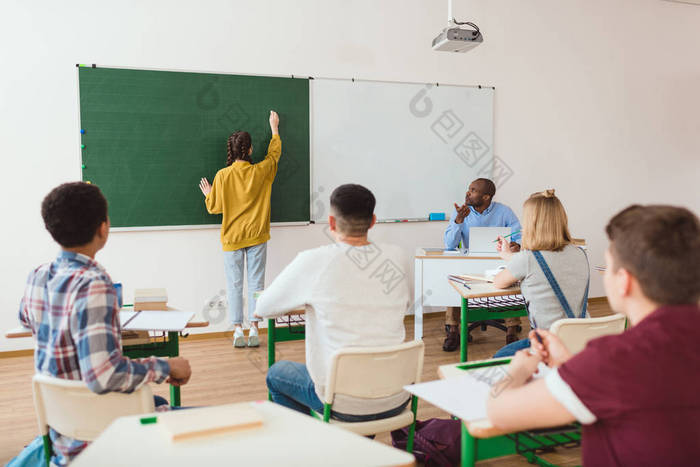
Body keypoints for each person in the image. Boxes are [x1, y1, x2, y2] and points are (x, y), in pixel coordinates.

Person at [487, 205, 700, 466]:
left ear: (624, 282)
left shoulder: (611, 359)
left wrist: (518, 368)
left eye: (607, 267)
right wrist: (571, 366)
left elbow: (498, 411)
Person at [19, 182, 192, 466]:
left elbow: (26, 318)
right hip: (100, 444)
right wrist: (167, 365)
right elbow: (103, 376)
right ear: (103, 228)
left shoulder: (37, 276)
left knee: (156, 400)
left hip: (63, 432)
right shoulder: (95, 284)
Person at [255, 184, 411, 421]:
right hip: (397, 397)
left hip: (342, 403)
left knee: (276, 374)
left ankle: (319, 442)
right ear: (373, 221)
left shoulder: (314, 260)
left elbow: (263, 308)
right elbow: (406, 302)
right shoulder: (397, 257)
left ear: (331, 222)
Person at [199, 110, 280, 347]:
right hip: (257, 236)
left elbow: (214, 208)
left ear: (231, 151)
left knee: (234, 284)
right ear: (251, 150)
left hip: (232, 238)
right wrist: (274, 129)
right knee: (257, 284)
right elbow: (274, 156)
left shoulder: (223, 176)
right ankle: (255, 327)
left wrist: (208, 194)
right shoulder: (261, 172)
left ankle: (237, 330)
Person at [491, 189, 589, 357]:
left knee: (497, 360)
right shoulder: (580, 253)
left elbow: (498, 282)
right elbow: (547, 263)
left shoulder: (527, 259)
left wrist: (510, 257)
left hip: (547, 341)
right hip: (580, 339)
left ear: (531, 224)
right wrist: (509, 256)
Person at [443, 178, 523, 351]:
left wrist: (518, 244)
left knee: (511, 280)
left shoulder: (504, 212)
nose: (467, 193)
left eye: (473, 190)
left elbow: (520, 234)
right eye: (469, 188)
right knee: (454, 279)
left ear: (486, 197)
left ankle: (511, 330)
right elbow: (449, 244)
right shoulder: (462, 212)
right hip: (469, 264)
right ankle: (453, 329)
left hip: (497, 264)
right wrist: (458, 220)